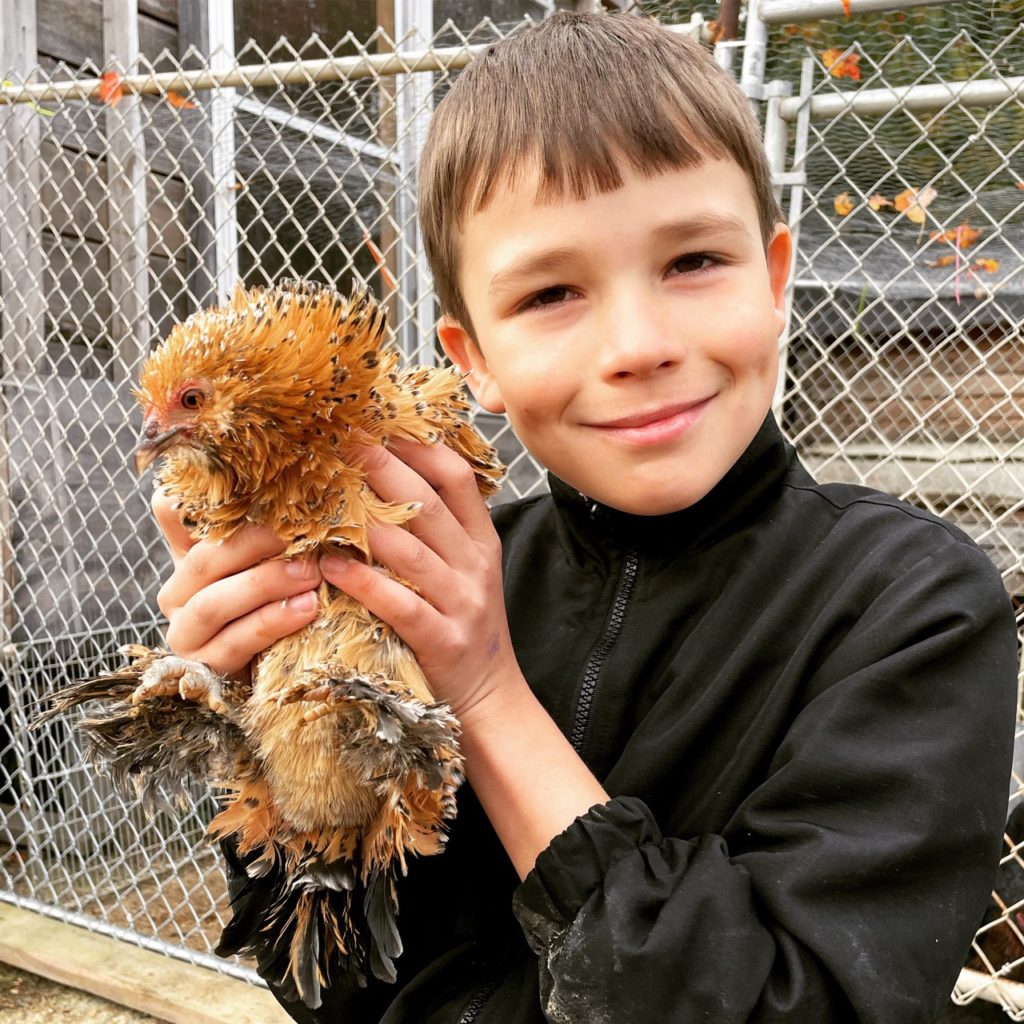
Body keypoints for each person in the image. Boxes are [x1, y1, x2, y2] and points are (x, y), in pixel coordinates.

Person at [151, 13, 1018, 1023]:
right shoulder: (418, 584)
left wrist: (483, 687)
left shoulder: (911, 608)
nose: (637, 343)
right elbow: (327, 984)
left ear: (774, 280)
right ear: (470, 357)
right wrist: (272, 729)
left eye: (693, 260)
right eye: (552, 290)